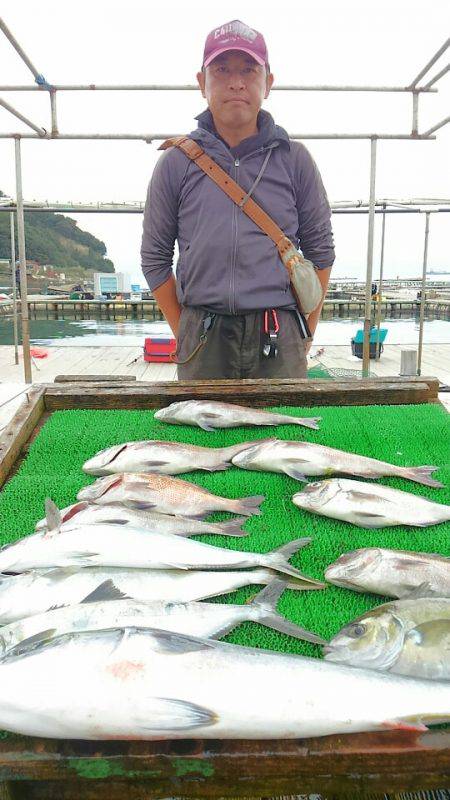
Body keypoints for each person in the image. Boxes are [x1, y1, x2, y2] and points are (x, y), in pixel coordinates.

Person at [141, 19, 335, 379]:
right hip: (202, 333)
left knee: (285, 418)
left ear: (268, 82)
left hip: (279, 331)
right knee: (199, 421)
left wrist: (306, 330)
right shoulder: (175, 163)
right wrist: (185, 330)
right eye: (221, 70)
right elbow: (154, 258)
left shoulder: (295, 160)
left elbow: (321, 251)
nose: (236, 82)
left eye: (248, 69)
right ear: (201, 82)